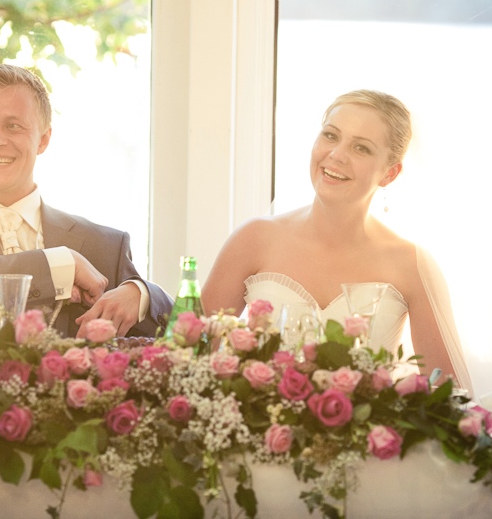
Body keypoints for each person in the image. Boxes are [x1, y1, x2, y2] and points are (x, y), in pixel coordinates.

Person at [201, 89, 473, 394]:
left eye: (361, 148)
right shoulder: (253, 239)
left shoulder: (411, 264)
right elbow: (189, 358)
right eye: (331, 136)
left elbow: (449, 396)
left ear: (390, 173)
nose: (337, 154)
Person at [0, 63, 172, 351]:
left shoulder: (105, 244)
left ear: (44, 139)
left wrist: (143, 295)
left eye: (13, 126)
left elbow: (181, 334)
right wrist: (58, 264)